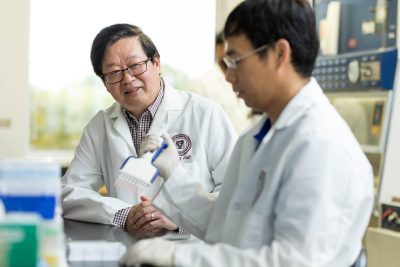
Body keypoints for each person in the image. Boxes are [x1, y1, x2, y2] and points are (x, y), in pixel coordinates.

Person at [119, 0, 374, 266]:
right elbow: (230, 223)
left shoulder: (321, 145)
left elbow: (293, 261)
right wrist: (174, 175)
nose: (229, 76)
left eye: (235, 60)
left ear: (279, 54)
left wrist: (178, 256)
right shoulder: (255, 137)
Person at [60, 24, 237, 238]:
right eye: (114, 72)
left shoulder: (206, 115)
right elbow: (69, 193)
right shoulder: (100, 127)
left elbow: (236, 195)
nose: (127, 79)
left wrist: (182, 216)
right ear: (105, 83)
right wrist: (124, 215)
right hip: (128, 250)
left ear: (156, 63)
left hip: (194, 250)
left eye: (135, 65)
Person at [186, 32, 254, 133]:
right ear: (218, 49)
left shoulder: (248, 80)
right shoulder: (201, 84)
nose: (234, 51)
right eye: (228, 45)